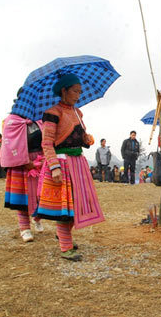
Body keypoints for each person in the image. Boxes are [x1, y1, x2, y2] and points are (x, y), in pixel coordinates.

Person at [34, 73, 104, 261]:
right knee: (65, 207)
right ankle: (66, 246)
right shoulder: (52, 113)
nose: (78, 95)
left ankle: (64, 236)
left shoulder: (77, 113)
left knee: (79, 203)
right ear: (64, 90)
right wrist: (54, 166)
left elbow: (79, 136)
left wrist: (86, 139)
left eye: (80, 91)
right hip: (62, 163)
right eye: (75, 91)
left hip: (78, 162)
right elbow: (47, 143)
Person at [1, 106, 45, 243]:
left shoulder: (40, 120)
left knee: (42, 194)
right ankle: (24, 228)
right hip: (19, 162)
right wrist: (25, 161)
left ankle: (37, 218)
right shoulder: (11, 122)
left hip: (39, 159)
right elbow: (9, 144)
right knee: (22, 197)